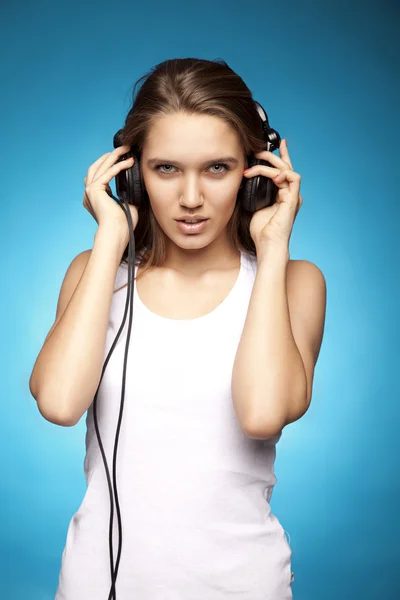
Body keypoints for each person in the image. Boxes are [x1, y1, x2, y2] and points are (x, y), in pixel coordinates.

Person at [29, 57, 327, 599]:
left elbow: (262, 414)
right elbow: (58, 403)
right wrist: (109, 243)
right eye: (166, 168)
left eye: (217, 168)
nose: (191, 198)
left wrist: (274, 245)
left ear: (254, 174)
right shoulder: (94, 273)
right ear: (132, 175)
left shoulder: (295, 283)